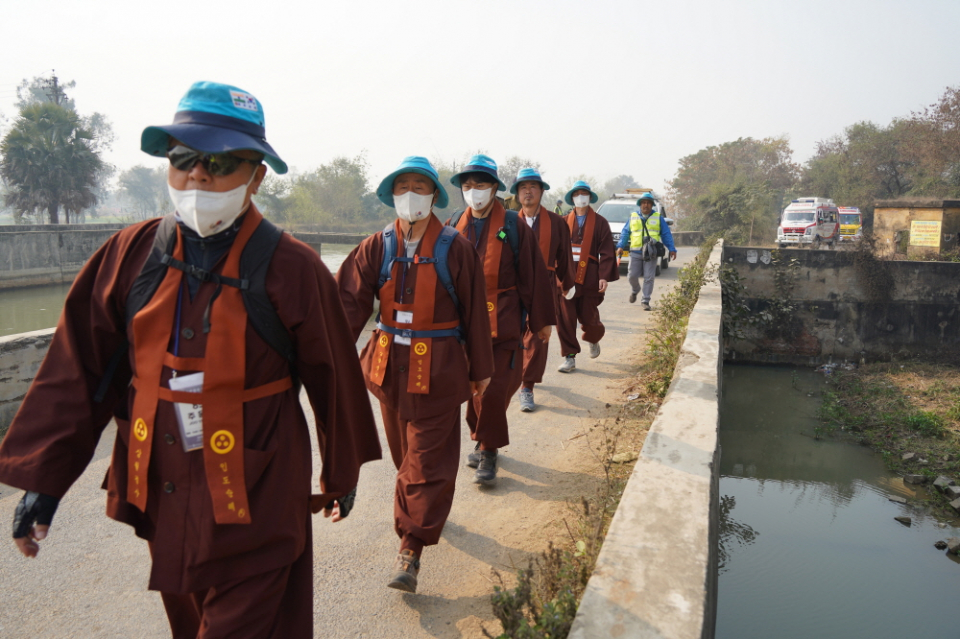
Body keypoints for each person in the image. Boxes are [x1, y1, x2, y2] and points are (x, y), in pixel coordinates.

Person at [0, 81, 382, 638]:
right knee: (190, 620)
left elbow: (332, 378)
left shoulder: (292, 268)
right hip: (165, 487)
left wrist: (340, 469)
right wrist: (46, 479)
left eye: (220, 161)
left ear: (256, 175)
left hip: (259, 490)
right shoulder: (131, 254)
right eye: (183, 158)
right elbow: (80, 368)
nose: (198, 174)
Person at [336, 156, 495, 593]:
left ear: (433, 196)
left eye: (420, 187)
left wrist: (481, 369)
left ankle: (411, 547)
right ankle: (421, 513)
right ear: (392, 194)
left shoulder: (454, 246)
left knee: (426, 461)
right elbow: (347, 305)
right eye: (403, 186)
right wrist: (327, 356)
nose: (411, 195)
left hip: (439, 372)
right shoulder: (377, 245)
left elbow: (474, 311)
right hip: (388, 371)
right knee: (406, 457)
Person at [447, 155, 556, 484]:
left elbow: (532, 275)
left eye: (481, 184)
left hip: (503, 320)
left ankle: (489, 451)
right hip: (463, 325)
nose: (474, 191)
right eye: (468, 185)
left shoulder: (512, 224)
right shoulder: (454, 222)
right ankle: (481, 439)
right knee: (470, 390)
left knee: (493, 390)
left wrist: (541, 320)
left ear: (494, 188)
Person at [511, 168, 575, 411]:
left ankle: (527, 386)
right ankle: (518, 375)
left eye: (533, 187)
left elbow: (564, 256)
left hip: (545, 284)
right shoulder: (509, 222)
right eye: (523, 187)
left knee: (540, 336)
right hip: (514, 286)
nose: (528, 191)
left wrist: (567, 284)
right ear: (517, 194)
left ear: (541, 191)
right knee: (513, 335)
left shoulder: (556, 223)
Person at [557, 180, 619, 373]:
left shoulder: (600, 222)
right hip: (567, 277)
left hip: (590, 278)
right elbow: (555, 249)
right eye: (577, 194)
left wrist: (604, 276)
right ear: (572, 198)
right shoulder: (564, 221)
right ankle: (569, 357)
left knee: (589, 318)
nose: (581, 197)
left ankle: (593, 338)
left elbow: (607, 251)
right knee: (565, 319)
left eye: (584, 193)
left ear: (589, 197)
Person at [617, 192, 677, 310]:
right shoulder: (633, 217)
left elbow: (666, 234)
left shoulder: (658, 218)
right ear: (640, 204)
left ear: (651, 205)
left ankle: (645, 300)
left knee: (649, 277)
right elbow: (625, 233)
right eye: (643, 203)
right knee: (632, 276)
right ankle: (635, 290)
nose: (646, 205)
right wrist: (621, 246)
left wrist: (671, 249)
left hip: (651, 253)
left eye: (648, 203)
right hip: (635, 252)